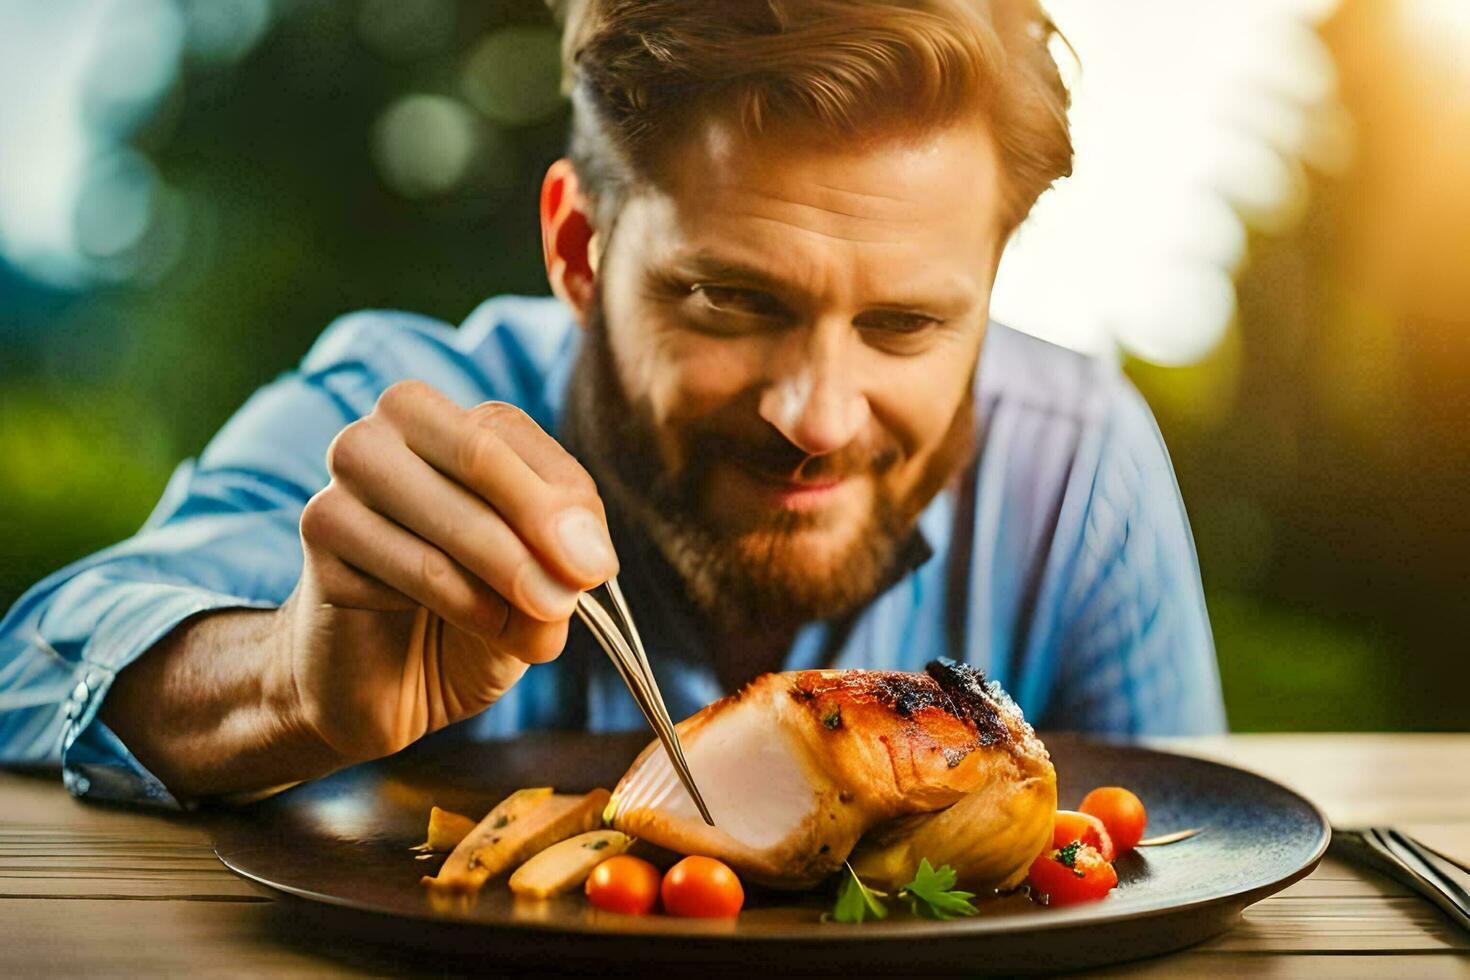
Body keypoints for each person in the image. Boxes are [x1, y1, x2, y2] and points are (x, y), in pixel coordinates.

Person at [0, 0, 1224, 809]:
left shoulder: (1080, 470)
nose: (819, 415)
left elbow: (1179, 851)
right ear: (580, 249)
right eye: (732, 301)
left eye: (906, 323)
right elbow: (29, 662)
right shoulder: (413, 419)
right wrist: (287, 680)